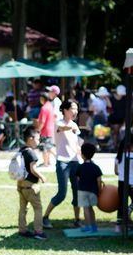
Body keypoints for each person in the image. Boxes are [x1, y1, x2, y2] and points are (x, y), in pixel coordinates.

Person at [43, 100, 82, 229]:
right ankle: (45, 217)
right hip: (63, 162)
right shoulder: (58, 123)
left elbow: (76, 144)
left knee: (77, 192)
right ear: (65, 110)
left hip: (75, 162)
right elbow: (62, 128)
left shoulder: (75, 124)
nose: (75, 111)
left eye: (77, 109)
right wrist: (71, 127)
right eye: (73, 108)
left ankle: (77, 220)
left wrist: (82, 156)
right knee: (62, 194)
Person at [17, 127, 47, 240]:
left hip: (20, 184)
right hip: (30, 185)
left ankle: (22, 229)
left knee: (23, 208)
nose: (39, 141)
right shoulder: (31, 153)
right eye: (37, 139)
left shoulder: (21, 150)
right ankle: (38, 232)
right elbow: (33, 169)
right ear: (30, 139)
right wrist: (42, 177)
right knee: (38, 208)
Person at [75, 142, 103, 233]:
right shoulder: (96, 167)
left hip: (83, 191)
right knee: (91, 209)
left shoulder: (80, 167)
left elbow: (77, 180)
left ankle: (87, 226)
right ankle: (94, 226)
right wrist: (99, 191)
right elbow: (99, 181)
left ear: (82, 155)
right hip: (93, 191)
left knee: (86, 209)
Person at [114, 136, 133, 232]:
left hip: (121, 182)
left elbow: (116, 172)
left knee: (121, 203)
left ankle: (118, 226)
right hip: (132, 182)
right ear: (132, 146)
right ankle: (127, 212)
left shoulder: (118, 156)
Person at [36, 87, 57, 167]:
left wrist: (38, 130)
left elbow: (42, 122)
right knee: (48, 147)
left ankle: (46, 163)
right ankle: (47, 162)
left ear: (42, 99)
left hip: (45, 131)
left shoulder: (44, 108)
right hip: (50, 130)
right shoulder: (50, 106)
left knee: (45, 147)